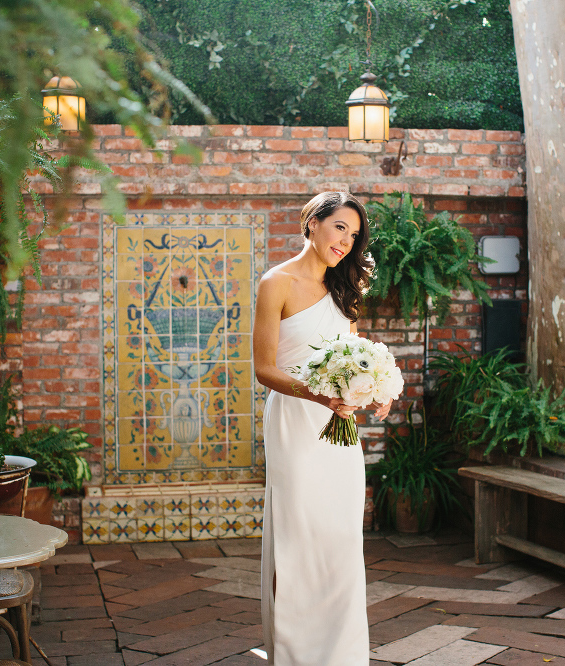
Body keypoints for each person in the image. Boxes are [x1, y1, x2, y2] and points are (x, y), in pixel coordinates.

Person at [253, 191, 391, 665]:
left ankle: (341, 655)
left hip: (338, 426)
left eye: (353, 236)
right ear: (312, 222)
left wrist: (374, 386)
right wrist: (315, 395)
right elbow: (264, 369)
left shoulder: (345, 288)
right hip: (295, 421)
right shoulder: (277, 282)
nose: (346, 242)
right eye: (339, 228)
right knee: (299, 535)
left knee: (341, 535)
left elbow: (352, 358)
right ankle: (295, 653)